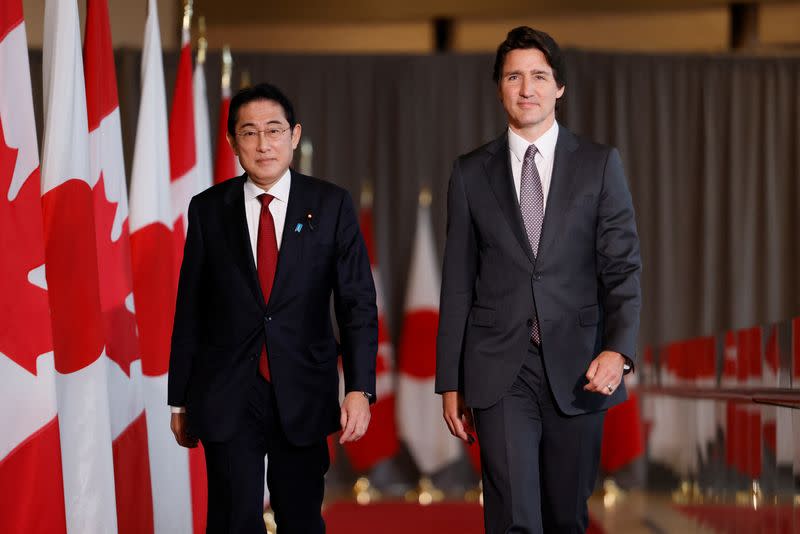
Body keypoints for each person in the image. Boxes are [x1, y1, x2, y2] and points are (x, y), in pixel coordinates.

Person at [436, 26, 641, 533]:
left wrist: (619, 350)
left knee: (566, 517)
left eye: (539, 76)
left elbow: (622, 267)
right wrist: (450, 381)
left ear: (559, 87)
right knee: (513, 517)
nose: (526, 88)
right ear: (499, 87)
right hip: (500, 367)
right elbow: (458, 280)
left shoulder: (598, 165)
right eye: (513, 76)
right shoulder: (469, 173)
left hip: (580, 366)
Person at [168, 82, 378, 533]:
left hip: (302, 388)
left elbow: (357, 303)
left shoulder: (331, 205)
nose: (263, 144)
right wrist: (180, 400)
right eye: (249, 132)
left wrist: (360, 387)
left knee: (300, 518)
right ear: (232, 141)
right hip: (228, 392)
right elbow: (191, 308)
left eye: (274, 130)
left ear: (295, 135)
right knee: (232, 519)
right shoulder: (208, 209)